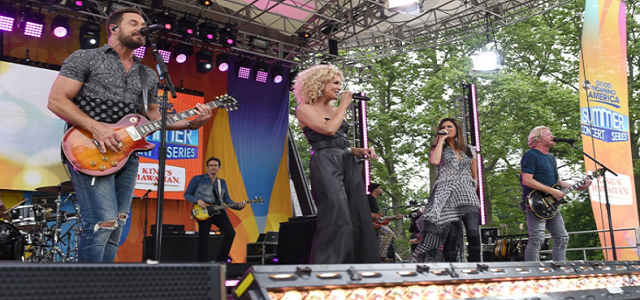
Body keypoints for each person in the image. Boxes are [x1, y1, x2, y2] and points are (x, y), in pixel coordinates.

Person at [47, 7, 213, 262]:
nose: (141, 27)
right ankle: (82, 287)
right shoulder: (86, 58)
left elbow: (155, 118)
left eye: (143, 23)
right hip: (88, 147)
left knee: (117, 226)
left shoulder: (147, 74)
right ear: (114, 28)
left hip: (127, 155)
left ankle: (102, 286)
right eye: (134, 22)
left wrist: (194, 124)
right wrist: (96, 127)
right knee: (102, 222)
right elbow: (57, 101)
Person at [294, 64, 380, 264]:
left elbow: (339, 140)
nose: (339, 87)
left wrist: (358, 150)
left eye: (340, 84)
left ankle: (359, 266)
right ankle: (329, 267)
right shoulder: (305, 109)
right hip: (325, 162)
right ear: (319, 83)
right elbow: (328, 130)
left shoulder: (335, 109)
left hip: (346, 161)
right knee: (336, 212)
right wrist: (344, 105)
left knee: (357, 213)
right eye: (335, 83)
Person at [409, 118, 481, 263]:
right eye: (443, 127)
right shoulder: (437, 148)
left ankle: (476, 268)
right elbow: (435, 161)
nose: (447, 128)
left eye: (450, 126)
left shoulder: (470, 149)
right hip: (446, 194)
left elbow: (475, 175)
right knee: (451, 237)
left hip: (466, 193)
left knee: (473, 232)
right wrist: (441, 139)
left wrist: (473, 186)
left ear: (457, 129)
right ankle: (452, 270)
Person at [520, 126, 591, 261]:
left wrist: (577, 187)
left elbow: (556, 181)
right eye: (549, 134)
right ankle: (533, 272)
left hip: (551, 204)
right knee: (537, 239)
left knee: (562, 237)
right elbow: (527, 180)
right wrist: (552, 191)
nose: (553, 136)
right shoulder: (531, 155)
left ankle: (560, 268)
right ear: (538, 138)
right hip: (536, 203)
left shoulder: (551, 158)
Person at [184, 157, 245, 262]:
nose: (213, 167)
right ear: (207, 168)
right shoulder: (198, 179)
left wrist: (238, 206)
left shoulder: (222, 182)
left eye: (215, 165)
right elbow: (187, 194)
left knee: (230, 233)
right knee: (204, 238)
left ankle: (221, 261)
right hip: (204, 211)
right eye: (211, 165)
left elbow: (227, 199)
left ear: (219, 168)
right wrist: (197, 200)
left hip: (219, 211)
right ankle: (203, 264)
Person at [367, 183, 402, 262]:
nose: (381, 189)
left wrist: (394, 218)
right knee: (388, 233)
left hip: (375, 224)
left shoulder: (374, 200)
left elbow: (380, 217)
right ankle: (381, 256)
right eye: (380, 188)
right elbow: (372, 215)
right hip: (370, 224)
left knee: (383, 237)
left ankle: (377, 254)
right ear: (375, 189)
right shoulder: (369, 198)